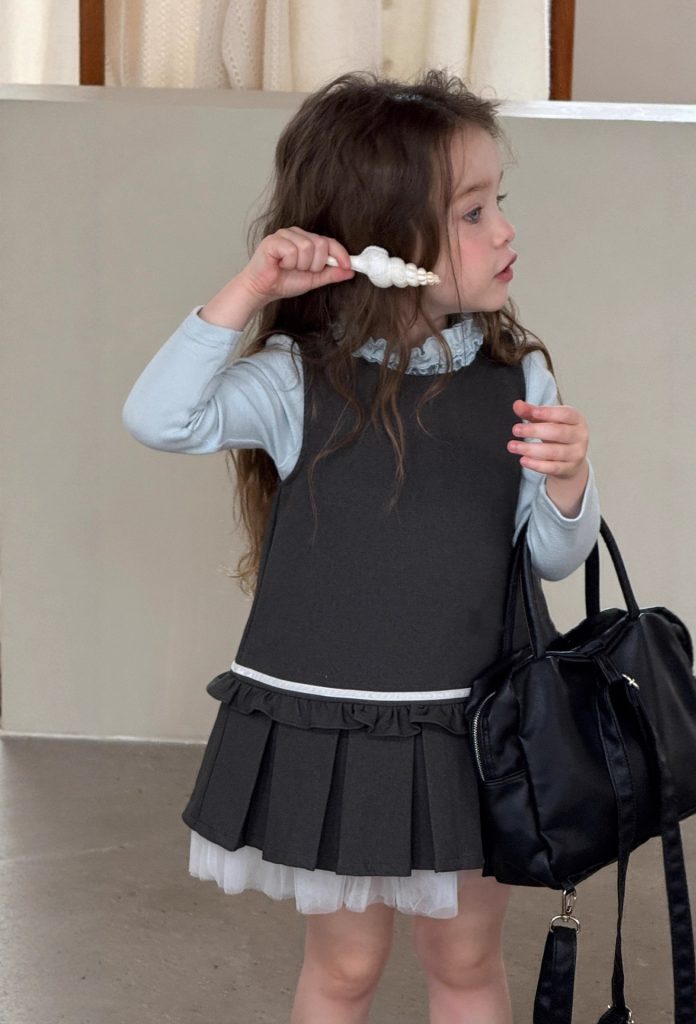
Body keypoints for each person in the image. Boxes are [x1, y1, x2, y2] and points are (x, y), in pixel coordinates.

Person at [122, 68, 600, 1024]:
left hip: (473, 728)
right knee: (344, 969)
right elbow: (158, 417)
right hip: (338, 731)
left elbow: (552, 560)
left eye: (498, 203)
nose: (505, 230)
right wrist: (253, 284)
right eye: (472, 212)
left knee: (466, 959)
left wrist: (569, 481)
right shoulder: (294, 379)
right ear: (387, 237)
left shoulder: (519, 378)